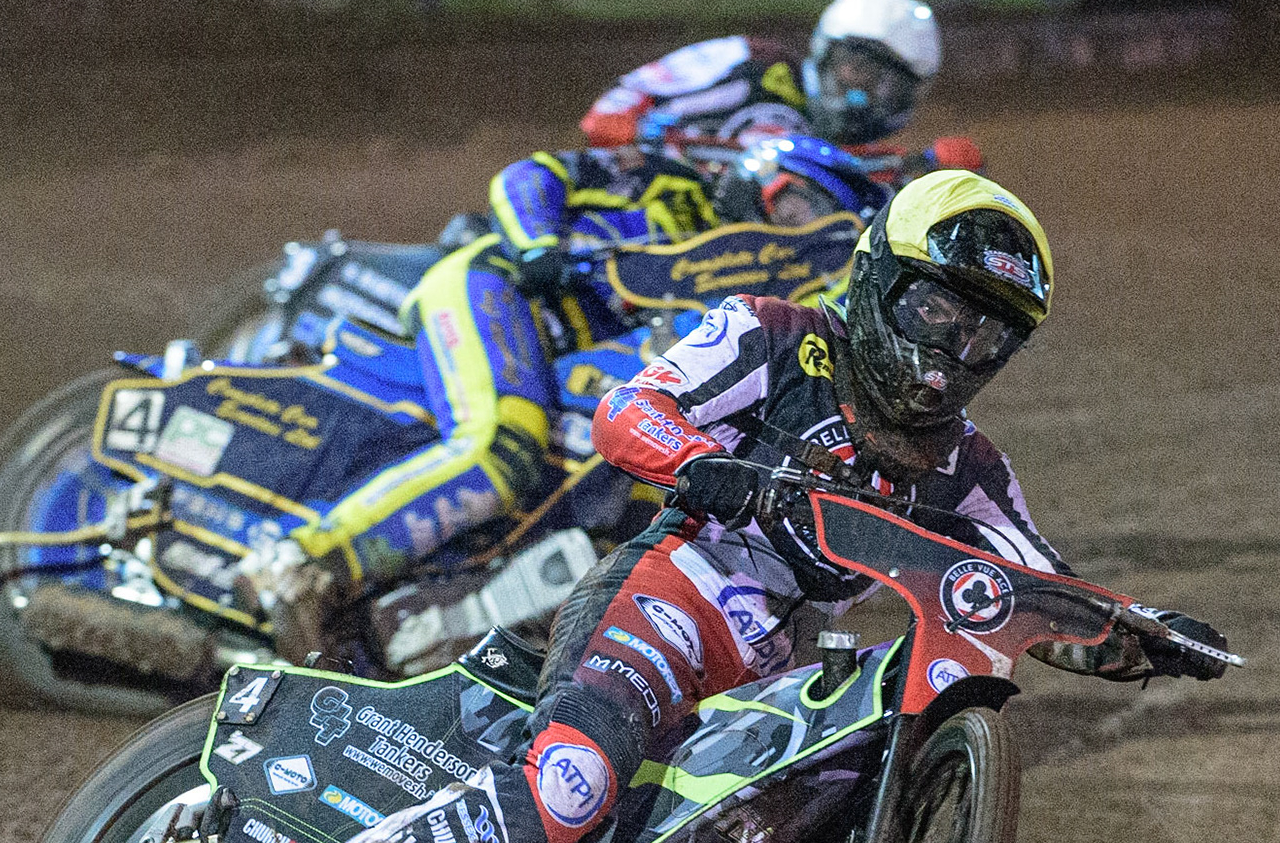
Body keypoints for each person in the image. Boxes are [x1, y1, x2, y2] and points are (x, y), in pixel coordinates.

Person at [213, 170, 1233, 843]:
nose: (949, 355)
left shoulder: (970, 468)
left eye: (984, 336)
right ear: (879, 278)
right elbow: (629, 415)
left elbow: (1034, 583)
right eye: (935, 313)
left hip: (769, 673)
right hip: (668, 590)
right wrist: (710, 468)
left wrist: (1137, 631)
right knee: (568, 786)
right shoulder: (776, 337)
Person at [253, 136, 889, 659]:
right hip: (497, 289)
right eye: (804, 211)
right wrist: (537, 244)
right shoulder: (670, 181)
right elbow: (532, 173)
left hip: (561, 361)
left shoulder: (755, 299)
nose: (802, 239)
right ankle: (304, 566)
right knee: (499, 452)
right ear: (770, 178)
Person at [581, 0, 943, 159]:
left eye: (890, 85)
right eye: (860, 67)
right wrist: (631, 124)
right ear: (825, 51)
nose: (866, 92)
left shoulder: (864, 161)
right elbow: (611, 110)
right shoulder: (752, 62)